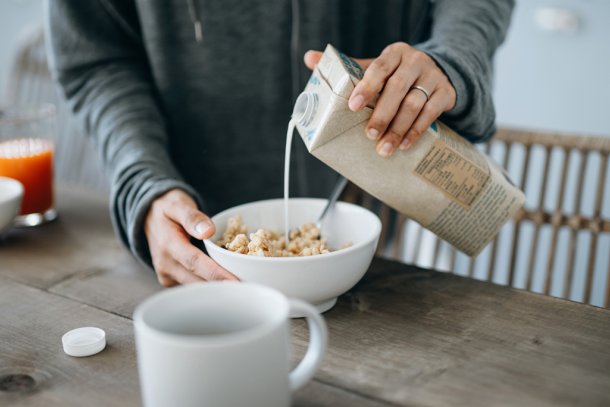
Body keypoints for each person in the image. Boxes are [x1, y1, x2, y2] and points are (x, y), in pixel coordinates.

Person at [46, 0, 514, 286]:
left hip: (369, 221)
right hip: (191, 238)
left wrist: (452, 57)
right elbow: (96, 56)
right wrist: (142, 180)